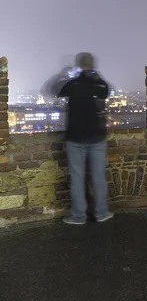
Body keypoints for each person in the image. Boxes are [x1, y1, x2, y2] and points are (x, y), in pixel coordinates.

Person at [42, 53, 114, 225]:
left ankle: (78, 216)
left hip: (75, 137)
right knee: (98, 177)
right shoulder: (99, 84)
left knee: (77, 178)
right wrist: (95, 74)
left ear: (78, 65)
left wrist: (62, 74)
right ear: (93, 65)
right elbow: (107, 90)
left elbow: (52, 89)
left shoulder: (72, 84)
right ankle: (101, 212)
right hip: (97, 136)